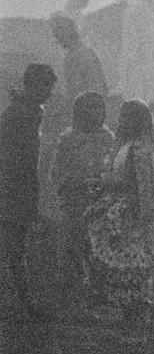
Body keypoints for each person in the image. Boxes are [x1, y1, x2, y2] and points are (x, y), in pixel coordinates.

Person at [87, 100, 154, 326]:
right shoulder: (123, 145)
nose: (124, 122)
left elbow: (139, 185)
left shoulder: (141, 149)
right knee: (115, 268)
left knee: (132, 271)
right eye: (122, 117)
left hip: (130, 215)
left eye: (129, 118)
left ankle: (134, 323)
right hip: (115, 212)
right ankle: (122, 320)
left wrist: (105, 182)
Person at [0, 64, 58, 321]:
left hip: (17, 188)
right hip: (13, 189)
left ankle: (23, 301)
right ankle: (24, 303)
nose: (48, 92)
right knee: (15, 247)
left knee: (16, 247)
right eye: (44, 86)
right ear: (31, 85)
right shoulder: (21, 114)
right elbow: (18, 160)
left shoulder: (26, 110)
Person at [48, 91, 115, 311]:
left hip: (100, 205)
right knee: (72, 252)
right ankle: (71, 302)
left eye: (100, 107)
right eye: (92, 108)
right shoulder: (68, 139)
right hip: (75, 204)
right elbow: (57, 173)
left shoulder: (108, 137)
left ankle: (97, 299)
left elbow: (112, 169)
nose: (98, 112)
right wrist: (76, 183)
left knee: (99, 252)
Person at [51, 14, 107, 108]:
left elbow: (73, 90)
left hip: (85, 106)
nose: (57, 39)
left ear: (67, 32)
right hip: (94, 105)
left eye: (57, 33)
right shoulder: (88, 51)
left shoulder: (75, 56)